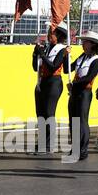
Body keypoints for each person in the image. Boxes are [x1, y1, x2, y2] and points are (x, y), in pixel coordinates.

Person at [64, 31, 98, 162]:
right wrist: (66, 56)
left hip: (84, 93)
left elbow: (89, 78)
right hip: (75, 92)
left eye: (86, 41)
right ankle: (74, 148)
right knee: (73, 121)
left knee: (81, 121)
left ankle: (83, 149)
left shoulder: (96, 60)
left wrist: (74, 84)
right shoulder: (82, 57)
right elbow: (67, 69)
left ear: (92, 44)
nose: (83, 43)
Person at [31, 25, 70, 155]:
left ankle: (48, 145)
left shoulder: (62, 50)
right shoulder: (47, 48)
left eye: (51, 33)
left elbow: (54, 66)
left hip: (54, 82)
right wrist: (35, 54)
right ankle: (41, 142)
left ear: (58, 36)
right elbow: (36, 68)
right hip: (42, 81)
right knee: (40, 113)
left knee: (49, 113)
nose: (49, 35)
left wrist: (42, 55)